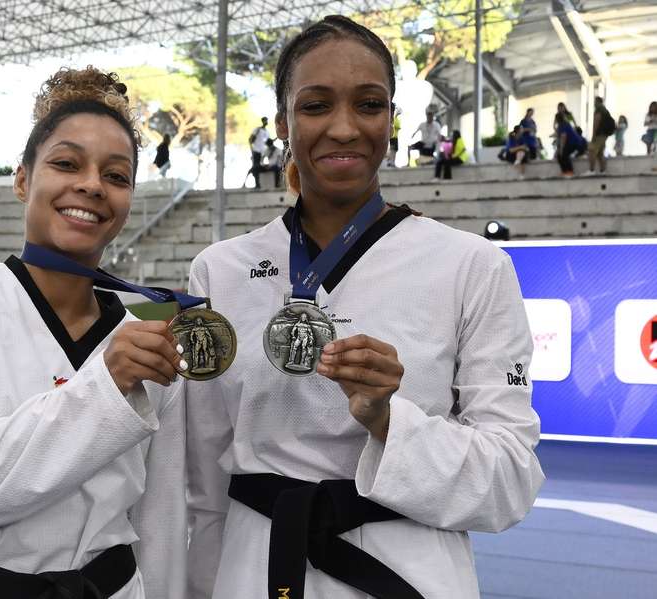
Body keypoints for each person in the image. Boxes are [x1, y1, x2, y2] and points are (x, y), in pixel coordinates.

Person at [185, 15, 544, 599]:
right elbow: (199, 479)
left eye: (370, 104)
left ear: (393, 118)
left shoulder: (472, 266)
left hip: (408, 569)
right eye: (316, 105)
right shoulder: (219, 271)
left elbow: (509, 482)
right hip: (252, 570)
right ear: (282, 122)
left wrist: (388, 420)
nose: (344, 128)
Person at [0, 67, 186, 599]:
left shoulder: (145, 339)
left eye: (116, 176)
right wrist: (104, 387)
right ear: (23, 178)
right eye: (66, 163)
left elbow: (160, 516)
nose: (92, 185)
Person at [586, 96, 614, 175]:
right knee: (600, 153)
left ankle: (591, 170)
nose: (594, 103)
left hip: (599, 134)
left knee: (592, 151)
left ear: (597, 102)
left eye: (595, 102)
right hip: (604, 135)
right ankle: (603, 170)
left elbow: (596, 123)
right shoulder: (605, 111)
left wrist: (593, 136)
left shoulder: (599, 110)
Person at [556, 112, 585, 177]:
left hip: (574, 143)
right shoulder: (564, 124)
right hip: (575, 143)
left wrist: (561, 148)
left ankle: (570, 171)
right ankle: (565, 171)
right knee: (560, 155)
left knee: (564, 154)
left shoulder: (563, 125)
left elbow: (564, 136)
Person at [249, 116, 271, 188]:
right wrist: (252, 150)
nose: (266, 122)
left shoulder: (267, 132)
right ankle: (257, 184)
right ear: (262, 121)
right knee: (256, 167)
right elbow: (250, 139)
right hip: (256, 151)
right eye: (265, 120)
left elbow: (268, 142)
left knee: (258, 167)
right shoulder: (257, 129)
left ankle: (258, 184)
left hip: (262, 153)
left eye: (267, 121)